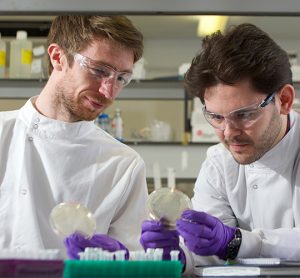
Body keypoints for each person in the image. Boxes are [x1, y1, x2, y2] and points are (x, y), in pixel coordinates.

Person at [140, 23, 300, 272]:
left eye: (244, 114)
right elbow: (211, 250)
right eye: (216, 117)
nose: (228, 133)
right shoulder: (219, 162)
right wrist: (180, 257)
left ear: (285, 101)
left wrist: (239, 241)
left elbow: (233, 244)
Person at [0, 15, 148, 259]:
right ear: (58, 57)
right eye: (99, 70)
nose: (108, 92)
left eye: (121, 78)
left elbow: (132, 260)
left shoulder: (123, 164)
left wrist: (120, 259)